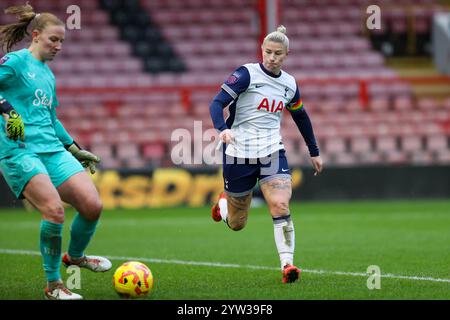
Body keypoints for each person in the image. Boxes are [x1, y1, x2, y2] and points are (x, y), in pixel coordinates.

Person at [0, 4, 111, 300]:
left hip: (52, 149)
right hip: (20, 151)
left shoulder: (47, 75)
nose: (58, 46)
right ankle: (54, 285)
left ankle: (75, 257)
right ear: (35, 36)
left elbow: (51, 119)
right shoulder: (14, 63)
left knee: (92, 205)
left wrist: (75, 149)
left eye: (62, 41)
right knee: (54, 211)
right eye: (53, 40)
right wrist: (7, 109)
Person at [209, 25, 323, 283]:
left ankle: (287, 265)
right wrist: (222, 129)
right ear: (262, 50)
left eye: (278, 54)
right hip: (239, 152)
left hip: (272, 151)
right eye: (268, 52)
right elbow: (216, 103)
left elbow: (301, 117)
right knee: (238, 224)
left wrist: (314, 151)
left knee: (280, 204)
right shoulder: (246, 74)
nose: (272, 58)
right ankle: (224, 205)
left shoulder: (289, 84)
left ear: (286, 55)